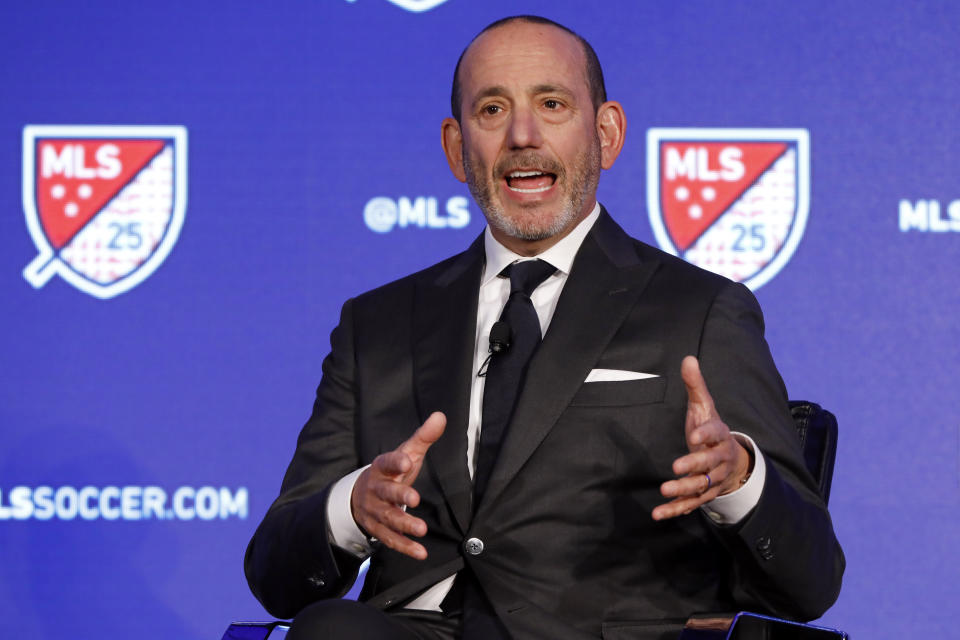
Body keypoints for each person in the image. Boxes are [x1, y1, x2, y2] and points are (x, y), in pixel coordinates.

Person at [245, 15, 844, 640]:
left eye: (552, 104)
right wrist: (353, 507)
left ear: (606, 134)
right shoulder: (378, 325)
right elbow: (275, 577)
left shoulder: (700, 311)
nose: (522, 136)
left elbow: (811, 581)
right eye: (492, 110)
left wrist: (738, 481)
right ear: (456, 148)